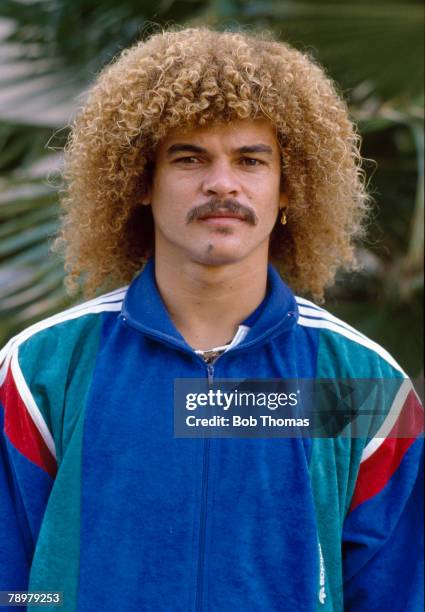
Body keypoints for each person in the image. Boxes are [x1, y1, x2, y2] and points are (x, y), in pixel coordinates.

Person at [0, 27, 423, 612]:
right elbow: (13, 585)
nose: (221, 183)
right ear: (140, 181)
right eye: (189, 158)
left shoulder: (359, 384)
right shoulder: (40, 371)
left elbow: (397, 591)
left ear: (289, 187)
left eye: (250, 160)